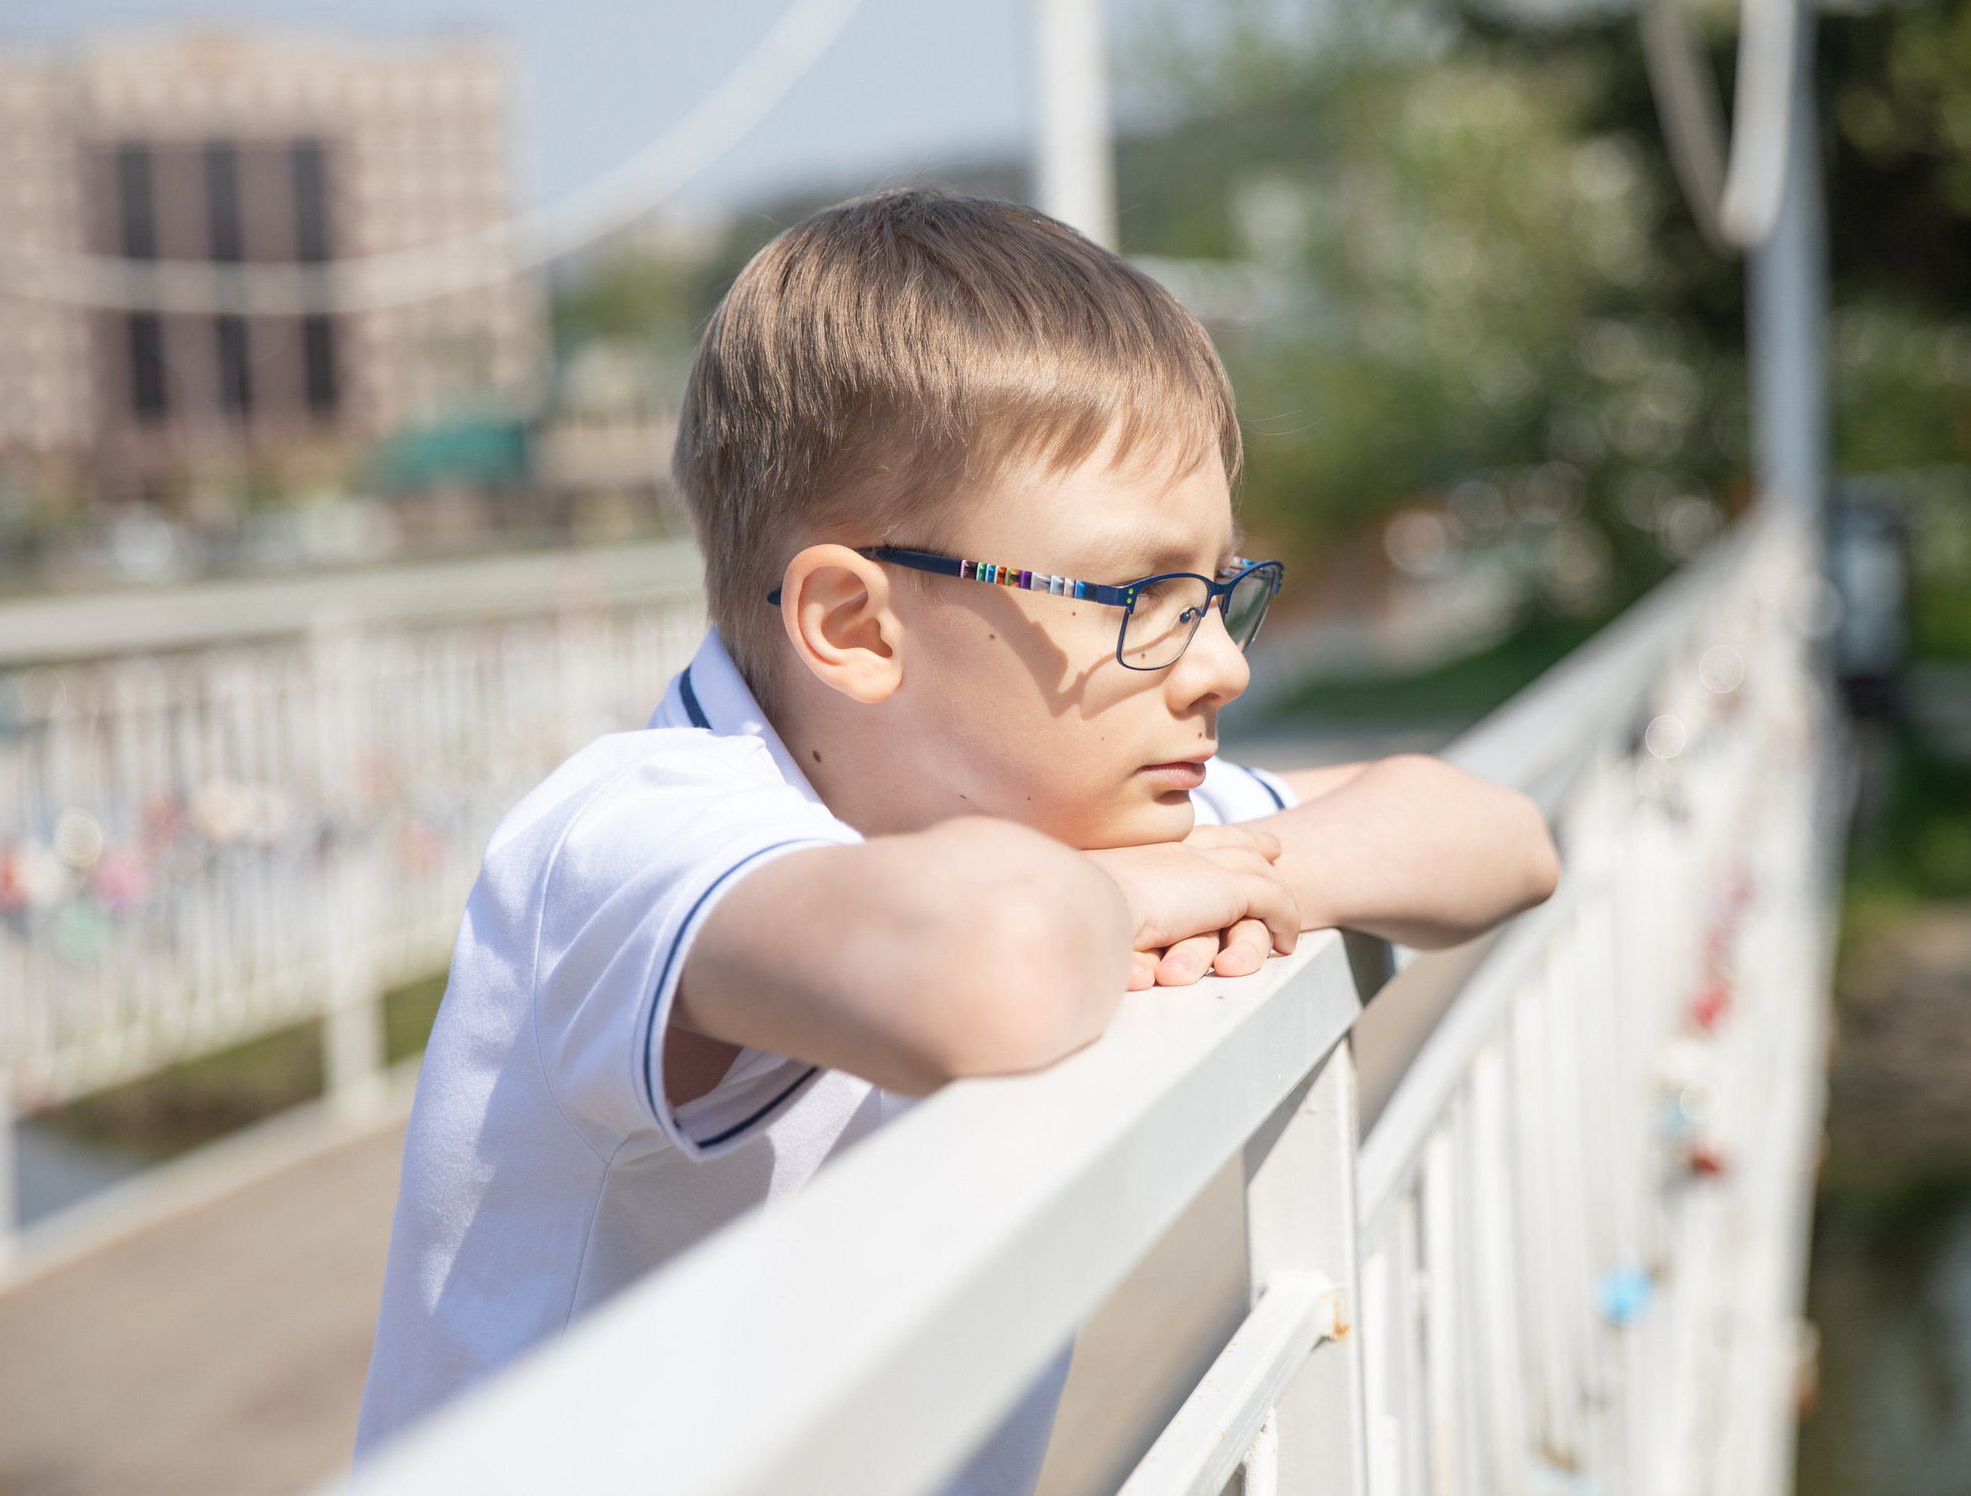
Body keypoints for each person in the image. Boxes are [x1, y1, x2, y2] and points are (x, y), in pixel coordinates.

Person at [354, 190, 1562, 1488]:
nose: (1220, 666)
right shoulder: (631, 834)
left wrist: (1233, 874)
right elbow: (1000, 966)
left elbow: (1496, 834)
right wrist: (1144, 889)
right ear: (858, 630)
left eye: (1220, 593)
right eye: (1145, 598)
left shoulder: (1071, 805)